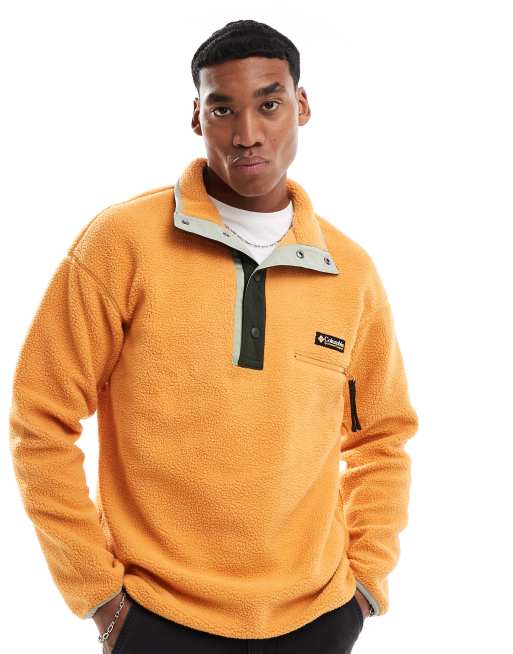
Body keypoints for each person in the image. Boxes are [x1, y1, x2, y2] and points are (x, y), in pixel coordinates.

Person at [8, 18, 419, 654]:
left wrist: (364, 585)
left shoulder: (351, 271)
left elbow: (382, 437)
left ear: (302, 106)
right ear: (197, 117)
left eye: (269, 104)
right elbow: (39, 419)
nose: (247, 133)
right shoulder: (121, 244)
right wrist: (98, 597)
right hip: (156, 617)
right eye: (223, 109)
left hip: (317, 618)